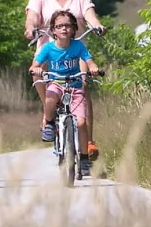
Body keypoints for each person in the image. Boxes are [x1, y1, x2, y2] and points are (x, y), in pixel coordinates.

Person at [24, 0, 104, 157]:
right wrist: (30, 28)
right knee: (37, 74)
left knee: (83, 85)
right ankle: (48, 114)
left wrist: (97, 25)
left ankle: (88, 142)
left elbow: (90, 15)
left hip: (75, 51)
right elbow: (32, 18)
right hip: (48, 49)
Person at [30, 9, 102, 174]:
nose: (64, 29)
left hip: (75, 86)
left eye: (68, 26)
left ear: (74, 29)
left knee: (81, 123)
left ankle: (83, 158)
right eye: (59, 26)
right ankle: (48, 123)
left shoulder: (78, 46)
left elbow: (88, 60)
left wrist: (93, 68)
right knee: (49, 98)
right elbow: (35, 64)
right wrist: (36, 69)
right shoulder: (48, 48)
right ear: (53, 30)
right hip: (57, 83)